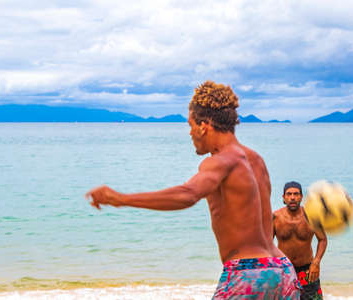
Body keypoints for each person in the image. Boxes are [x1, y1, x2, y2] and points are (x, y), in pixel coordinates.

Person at [86, 81, 300, 299]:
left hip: (249, 274)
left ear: (203, 125)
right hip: (282, 270)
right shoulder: (256, 160)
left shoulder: (221, 160)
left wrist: (119, 198)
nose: (190, 133)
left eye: (190, 125)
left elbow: (187, 194)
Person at [273, 181, 327, 300]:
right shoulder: (275, 218)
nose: (292, 197)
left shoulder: (311, 216)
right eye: (289, 194)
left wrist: (316, 262)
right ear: (284, 197)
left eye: (296, 194)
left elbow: (322, 239)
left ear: (301, 197)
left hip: (308, 270)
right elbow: (266, 244)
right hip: (283, 270)